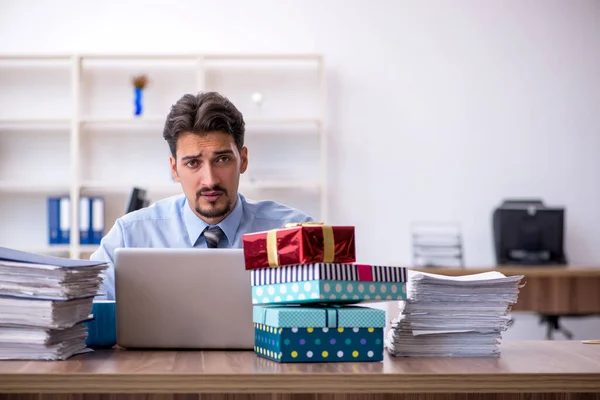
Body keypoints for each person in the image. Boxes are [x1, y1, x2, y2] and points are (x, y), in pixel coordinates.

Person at [90, 91, 313, 300]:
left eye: (222, 159)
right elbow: (85, 317)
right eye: (193, 163)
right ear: (175, 169)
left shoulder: (295, 234)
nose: (210, 180)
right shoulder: (129, 237)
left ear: (243, 160)